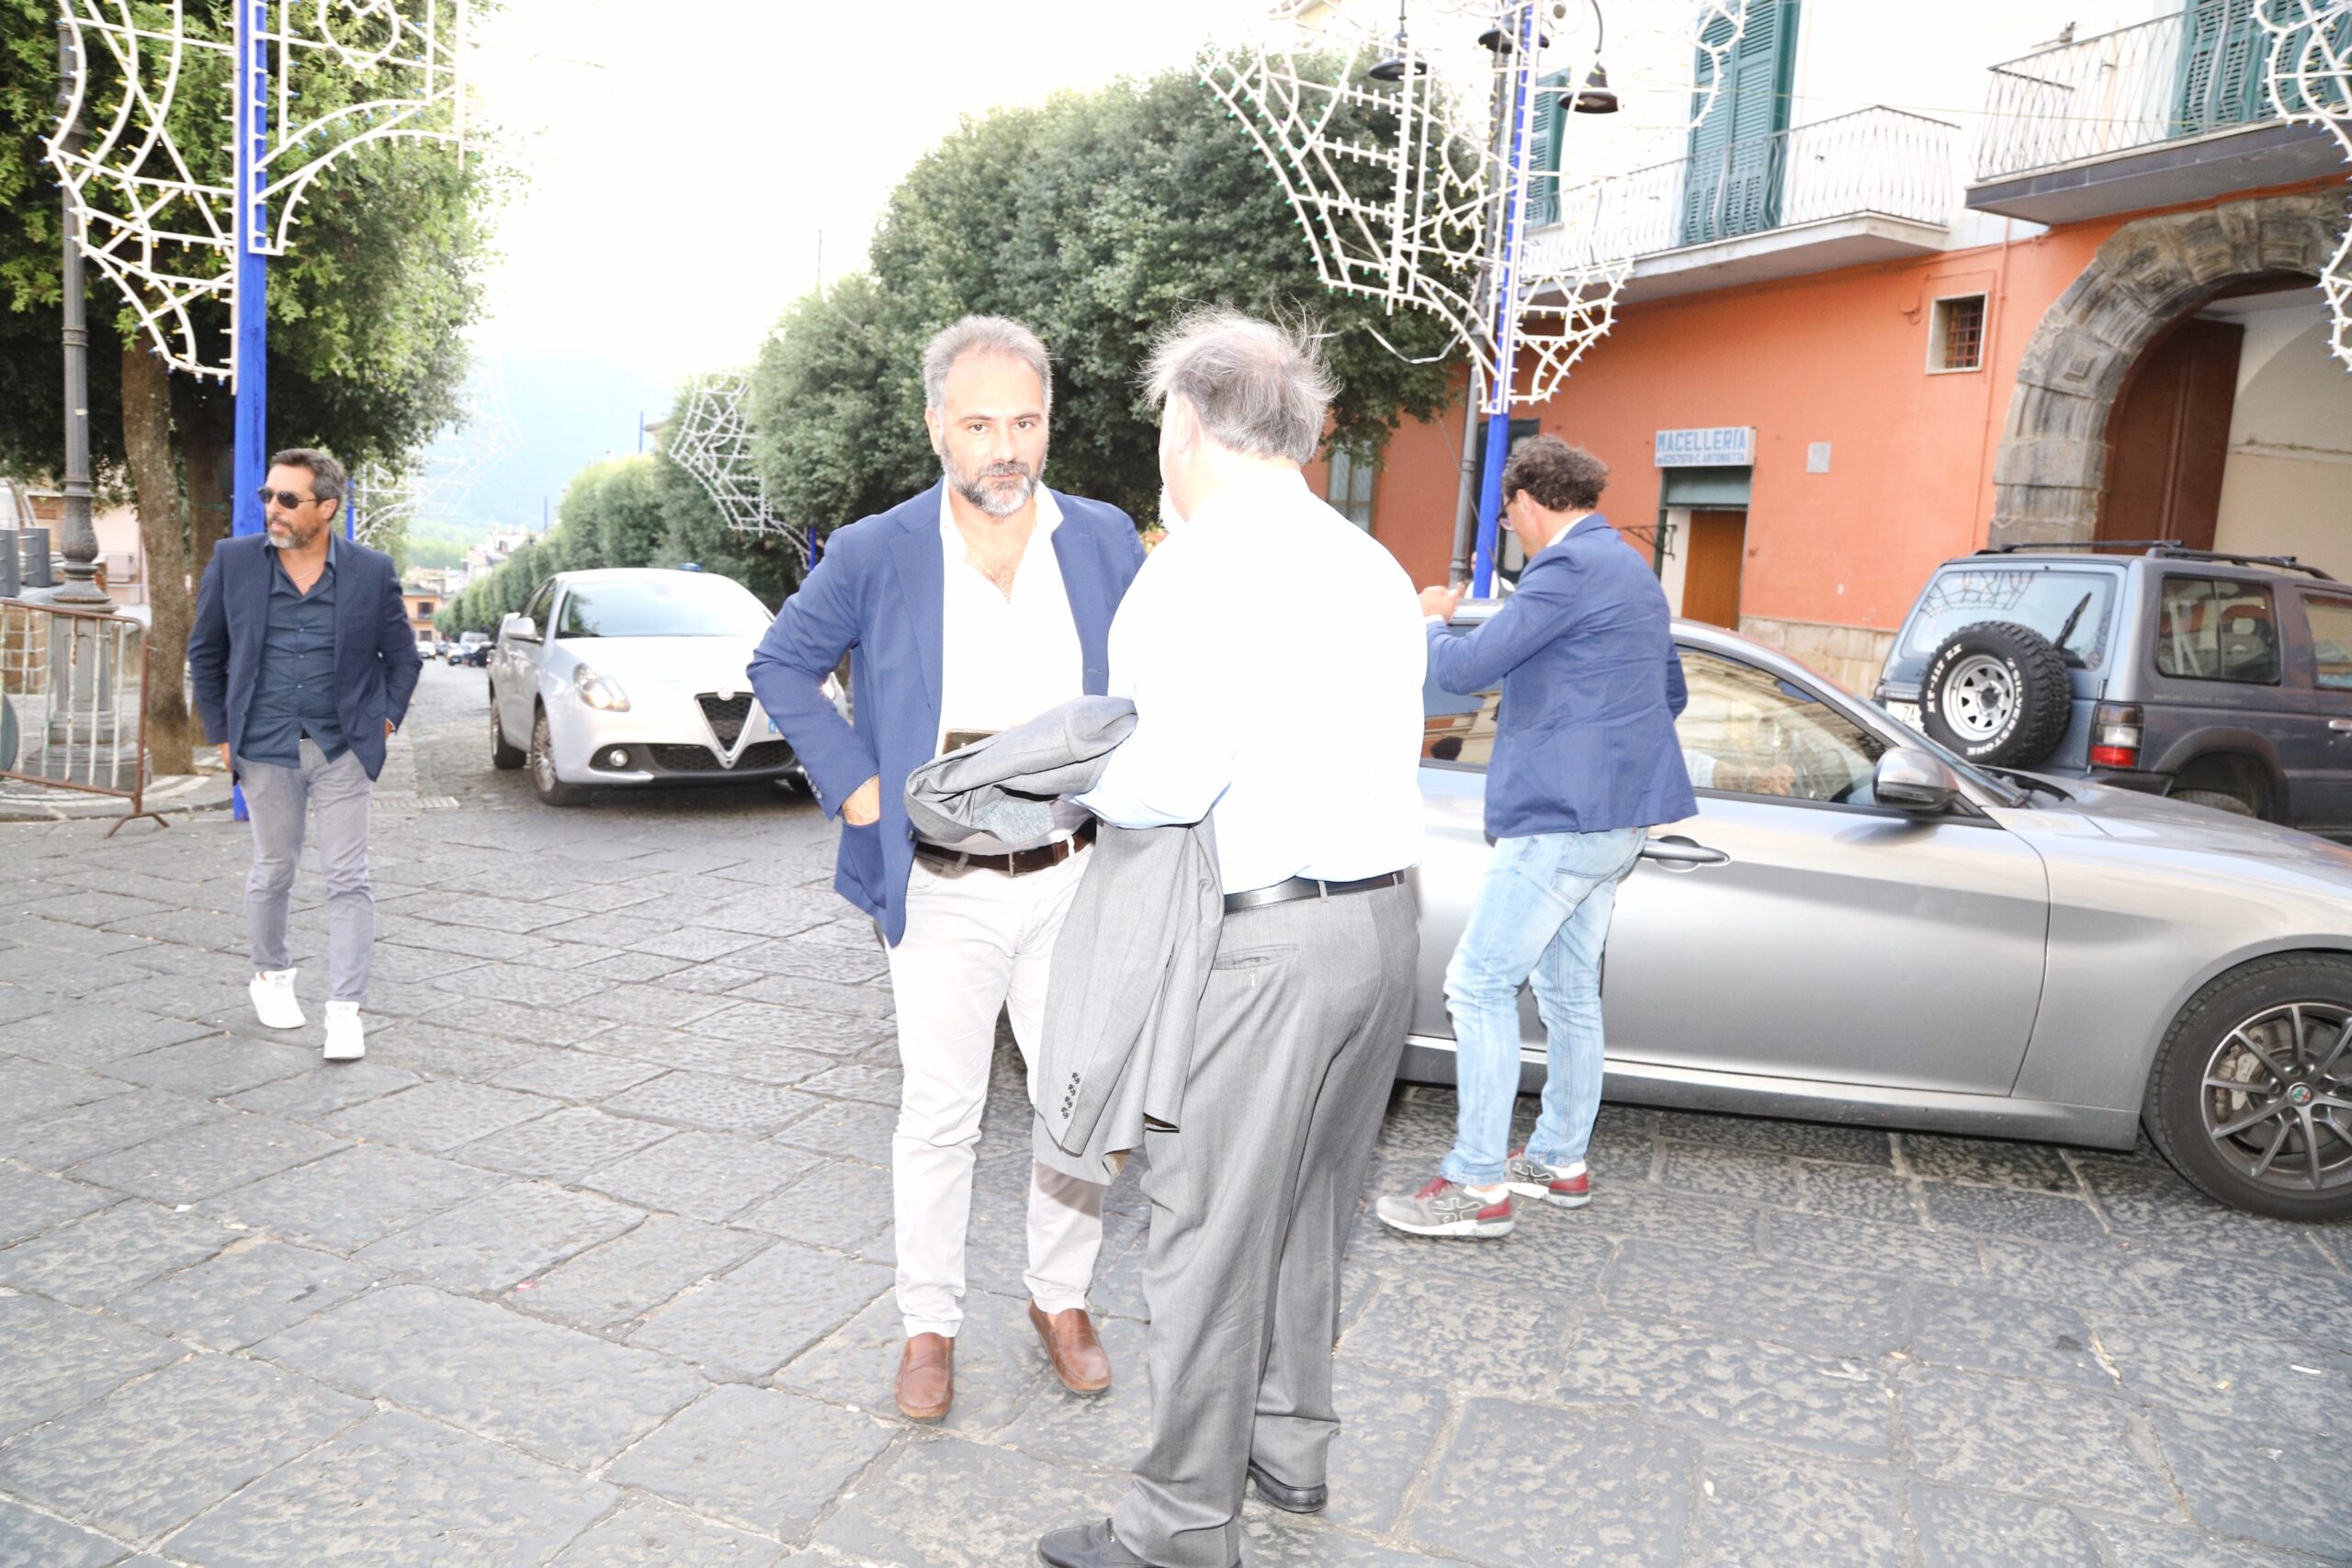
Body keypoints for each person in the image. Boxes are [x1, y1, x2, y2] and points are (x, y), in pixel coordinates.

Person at [1036, 310, 1425, 1568]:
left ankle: (1178, 1525)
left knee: (1207, 1235)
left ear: (1188, 423)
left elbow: (1169, 778)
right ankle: (1290, 1445)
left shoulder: (1199, 564)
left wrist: (1057, 776)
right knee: (1311, 1208)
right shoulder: (1365, 560)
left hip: (1264, 944)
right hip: (1380, 924)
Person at [746, 316, 1144, 1424]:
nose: (1004, 449)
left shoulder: (1103, 538)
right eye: (978, 425)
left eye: (1024, 422)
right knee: (938, 1114)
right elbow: (781, 663)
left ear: (1049, 423)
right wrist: (857, 787)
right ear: (935, 428)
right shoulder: (876, 549)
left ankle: (1061, 1300)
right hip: (939, 885)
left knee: (1075, 1102)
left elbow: (1149, 680)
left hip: (1074, 872)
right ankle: (929, 1323)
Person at [1375, 436, 1694, 1239]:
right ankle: (1558, 1159)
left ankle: (1477, 1184)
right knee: (1568, 993)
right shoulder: (1631, 569)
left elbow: (1466, 667)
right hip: (1618, 818)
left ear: (1525, 501)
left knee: (1477, 986)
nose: (1510, 529)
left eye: (1507, 515)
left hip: (1559, 818)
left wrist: (1426, 620)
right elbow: (1671, 693)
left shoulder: (1565, 567)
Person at [188, 447, 421, 1063]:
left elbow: (403, 658)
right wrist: (221, 732)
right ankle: (270, 974)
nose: (273, 508)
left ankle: (345, 1011)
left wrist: (385, 720)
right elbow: (206, 651)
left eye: (287, 499)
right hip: (264, 748)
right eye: (267, 495)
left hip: (343, 748)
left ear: (327, 508)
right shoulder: (234, 561)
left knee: (349, 878)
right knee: (275, 868)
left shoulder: (370, 571)